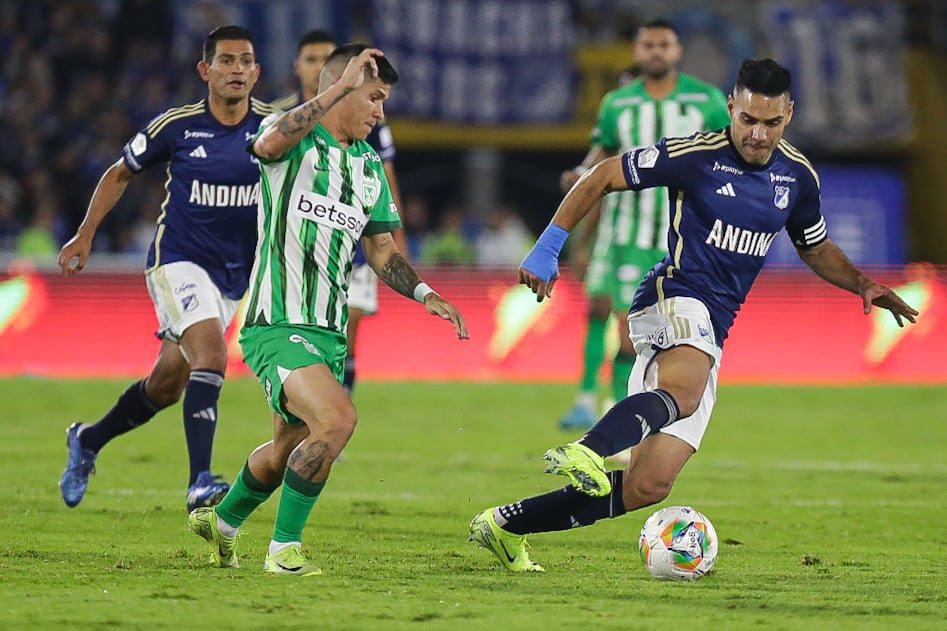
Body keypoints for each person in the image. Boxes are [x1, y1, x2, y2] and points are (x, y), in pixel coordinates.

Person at [469, 57, 918, 572]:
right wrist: (548, 246)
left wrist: (862, 283)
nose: (757, 134)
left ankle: (505, 525)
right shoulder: (696, 154)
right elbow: (601, 176)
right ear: (731, 106)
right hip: (672, 294)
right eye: (748, 119)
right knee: (682, 393)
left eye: (770, 123)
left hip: (714, 326)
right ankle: (589, 449)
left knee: (647, 486)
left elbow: (812, 245)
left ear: (789, 115)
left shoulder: (797, 177)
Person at [187, 43, 468, 576]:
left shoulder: (366, 167)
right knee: (339, 419)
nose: (380, 112)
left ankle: (220, 522)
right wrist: (336, 89)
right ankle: (284, 551)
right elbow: (266, 143)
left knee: (286, 449)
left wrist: (427, 294)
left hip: (328, 330)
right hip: (277, 323)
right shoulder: (295, 141)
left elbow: (382, 249)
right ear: (342, 87)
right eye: (375, 98)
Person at [57, 26, 279, 511]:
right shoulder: (176, 126)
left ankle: (88, 439)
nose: (237, 69)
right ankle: (200, 480)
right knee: (212, 356)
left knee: (166, 386)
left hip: (234, 276)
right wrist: (86, 232)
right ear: (206, 70)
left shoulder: (273, 127)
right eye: (226, 61)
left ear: (257, 72)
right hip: (177, 260)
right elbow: (120, 172)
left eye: (245, 61)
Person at [558, 19, 731, 431]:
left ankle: (621, 410)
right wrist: (579, 175)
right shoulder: (617, 104)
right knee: (602, 310)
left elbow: (726, 160)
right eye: (648, 44)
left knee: (631, 324)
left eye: (663, 44)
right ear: (637, 50)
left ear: (677, 50)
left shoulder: (705, 101)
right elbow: (601, 157)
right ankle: (593, 401)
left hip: (674, 235)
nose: (656, 51)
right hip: (621, 232)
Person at [273, 29, 408, 397]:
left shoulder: (368, 118)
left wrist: (397, 238)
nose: (319, 68)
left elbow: (385, 179)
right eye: (311, 60)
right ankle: (317, 416)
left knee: (348, 324)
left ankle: (334, 410)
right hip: (298, 250)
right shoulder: (282, 119)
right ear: (297, 66)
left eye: (326, 60)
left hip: (354, 241)